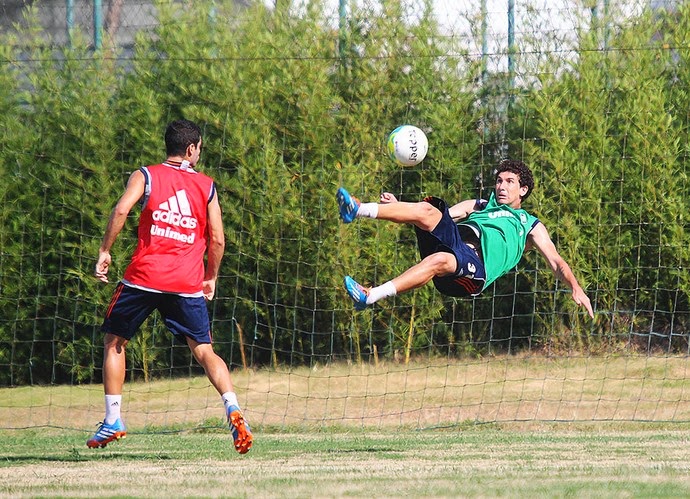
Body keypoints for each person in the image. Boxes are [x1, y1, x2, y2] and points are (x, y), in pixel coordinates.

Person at [89, 119, 252, 454]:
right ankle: (233, 408)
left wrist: (105, 250)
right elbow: (218, 239)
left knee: (114, 341)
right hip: (186, 281)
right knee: (205, 350)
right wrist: (211, 276)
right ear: (191, 150)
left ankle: (113, 419)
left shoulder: (145, 175)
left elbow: (122, 209)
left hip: (144, 278)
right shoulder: (206, 186)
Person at [337, 159, 594, 319]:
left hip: (475, 271)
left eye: (509, 182)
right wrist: (399, 208)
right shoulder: (479, 205)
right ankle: (357, 210)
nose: (501, 186)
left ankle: (370, 296)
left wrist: (575, 286)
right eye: (498, 180)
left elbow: (557, 262)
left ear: (523, 190)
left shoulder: (529, 225)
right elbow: (438, 219)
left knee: (441, 259)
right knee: (429, 209)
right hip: (456, 245)